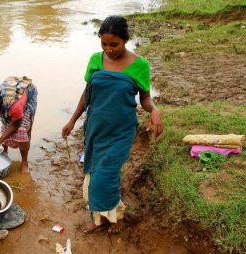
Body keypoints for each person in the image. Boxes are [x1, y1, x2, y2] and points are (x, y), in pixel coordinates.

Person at [62, 15, 163, 234]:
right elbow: (87, 94)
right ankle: (99, 218)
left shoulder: (140, 65)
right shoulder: (95, 60)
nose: (108, 49)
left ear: (126, 39)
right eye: (104, 44)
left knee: (105, 175)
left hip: (121, 131)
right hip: (96, 129)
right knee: (93, 173)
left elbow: (144, 99)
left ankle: (116, 217)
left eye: (114, 44)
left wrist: (154, 110)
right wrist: (72, 120)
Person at [0, 76, 38, 173]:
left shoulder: (15, 106)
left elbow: (16, 125)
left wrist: (0, 140)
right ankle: (5, 153)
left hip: (27, 92)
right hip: (11, 96)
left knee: (21, 131)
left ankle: (24, 162)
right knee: (5, 126)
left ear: (2, 107)